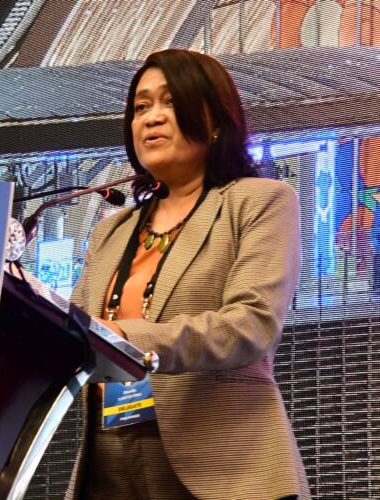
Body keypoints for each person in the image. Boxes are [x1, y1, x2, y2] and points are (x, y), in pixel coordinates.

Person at [66, 49, 310, 499]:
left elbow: (252, 324)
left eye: (171, 102)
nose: (152, 117)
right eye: (141, 107)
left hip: (222, 465)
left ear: (215, 120)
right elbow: (75, 330)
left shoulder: (260, 201)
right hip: (109, 461)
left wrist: (125, 338)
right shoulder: (111, 231)